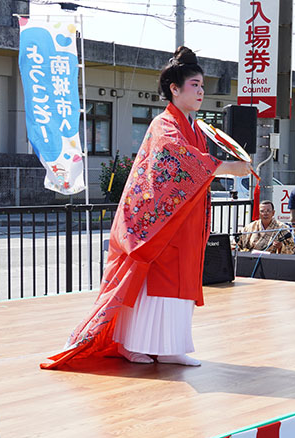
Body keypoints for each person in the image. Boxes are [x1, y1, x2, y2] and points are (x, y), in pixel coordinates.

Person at [41, 46, 251, 369]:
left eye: (201, 86)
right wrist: (223, 167)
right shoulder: (163, 125)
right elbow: (182, 161)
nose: (200, 91)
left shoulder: (193, 128)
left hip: (181, 223)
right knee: (153, 285)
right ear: (175, 89)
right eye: (194, 85)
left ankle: (171, 346)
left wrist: (217, 168)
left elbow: (194, 167)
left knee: (177, 287)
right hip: (157, 226)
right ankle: (131, 343)